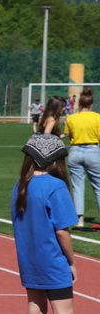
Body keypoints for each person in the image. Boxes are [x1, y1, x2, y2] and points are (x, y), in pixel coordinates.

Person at [11, 134, 91, 314]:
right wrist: (72, 260)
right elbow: (62, 231)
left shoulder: (21, 185)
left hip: (29, 260)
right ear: (57, 160)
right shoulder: (56, 187)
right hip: (52, 260)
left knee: (35, 312)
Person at [63, 88, 100, 228]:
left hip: (75, 151)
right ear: (91, 104)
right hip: (92, 150)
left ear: (79, 104)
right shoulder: (97, 117)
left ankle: (80, 219)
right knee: (98, 186)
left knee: (78, 187)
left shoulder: (71, 118)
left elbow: (69, 135)